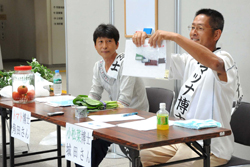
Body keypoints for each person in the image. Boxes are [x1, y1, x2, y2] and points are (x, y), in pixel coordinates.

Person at [133, 8, 243, 167]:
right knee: (142, 155)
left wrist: (176, 37)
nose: (193, 33)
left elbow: (215, 64)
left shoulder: (224, 58)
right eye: (192, 28)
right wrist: (143, 42)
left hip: (211, 146)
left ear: (216, 34)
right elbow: (153, 62)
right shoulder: (189, 60)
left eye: (199, 28)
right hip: (182, 138)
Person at [76, 24, 149, 167]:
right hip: (116, 115)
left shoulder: (127, 63)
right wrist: (83, 108)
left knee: (100, 135)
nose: (104, 46)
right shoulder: (98, 66)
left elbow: (124, 101)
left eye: (109, 41)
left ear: (117, 44)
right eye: (100, 42)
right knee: (87, 145)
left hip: (135, 115)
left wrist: (102, 117)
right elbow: (95, 93)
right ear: (95, 46)